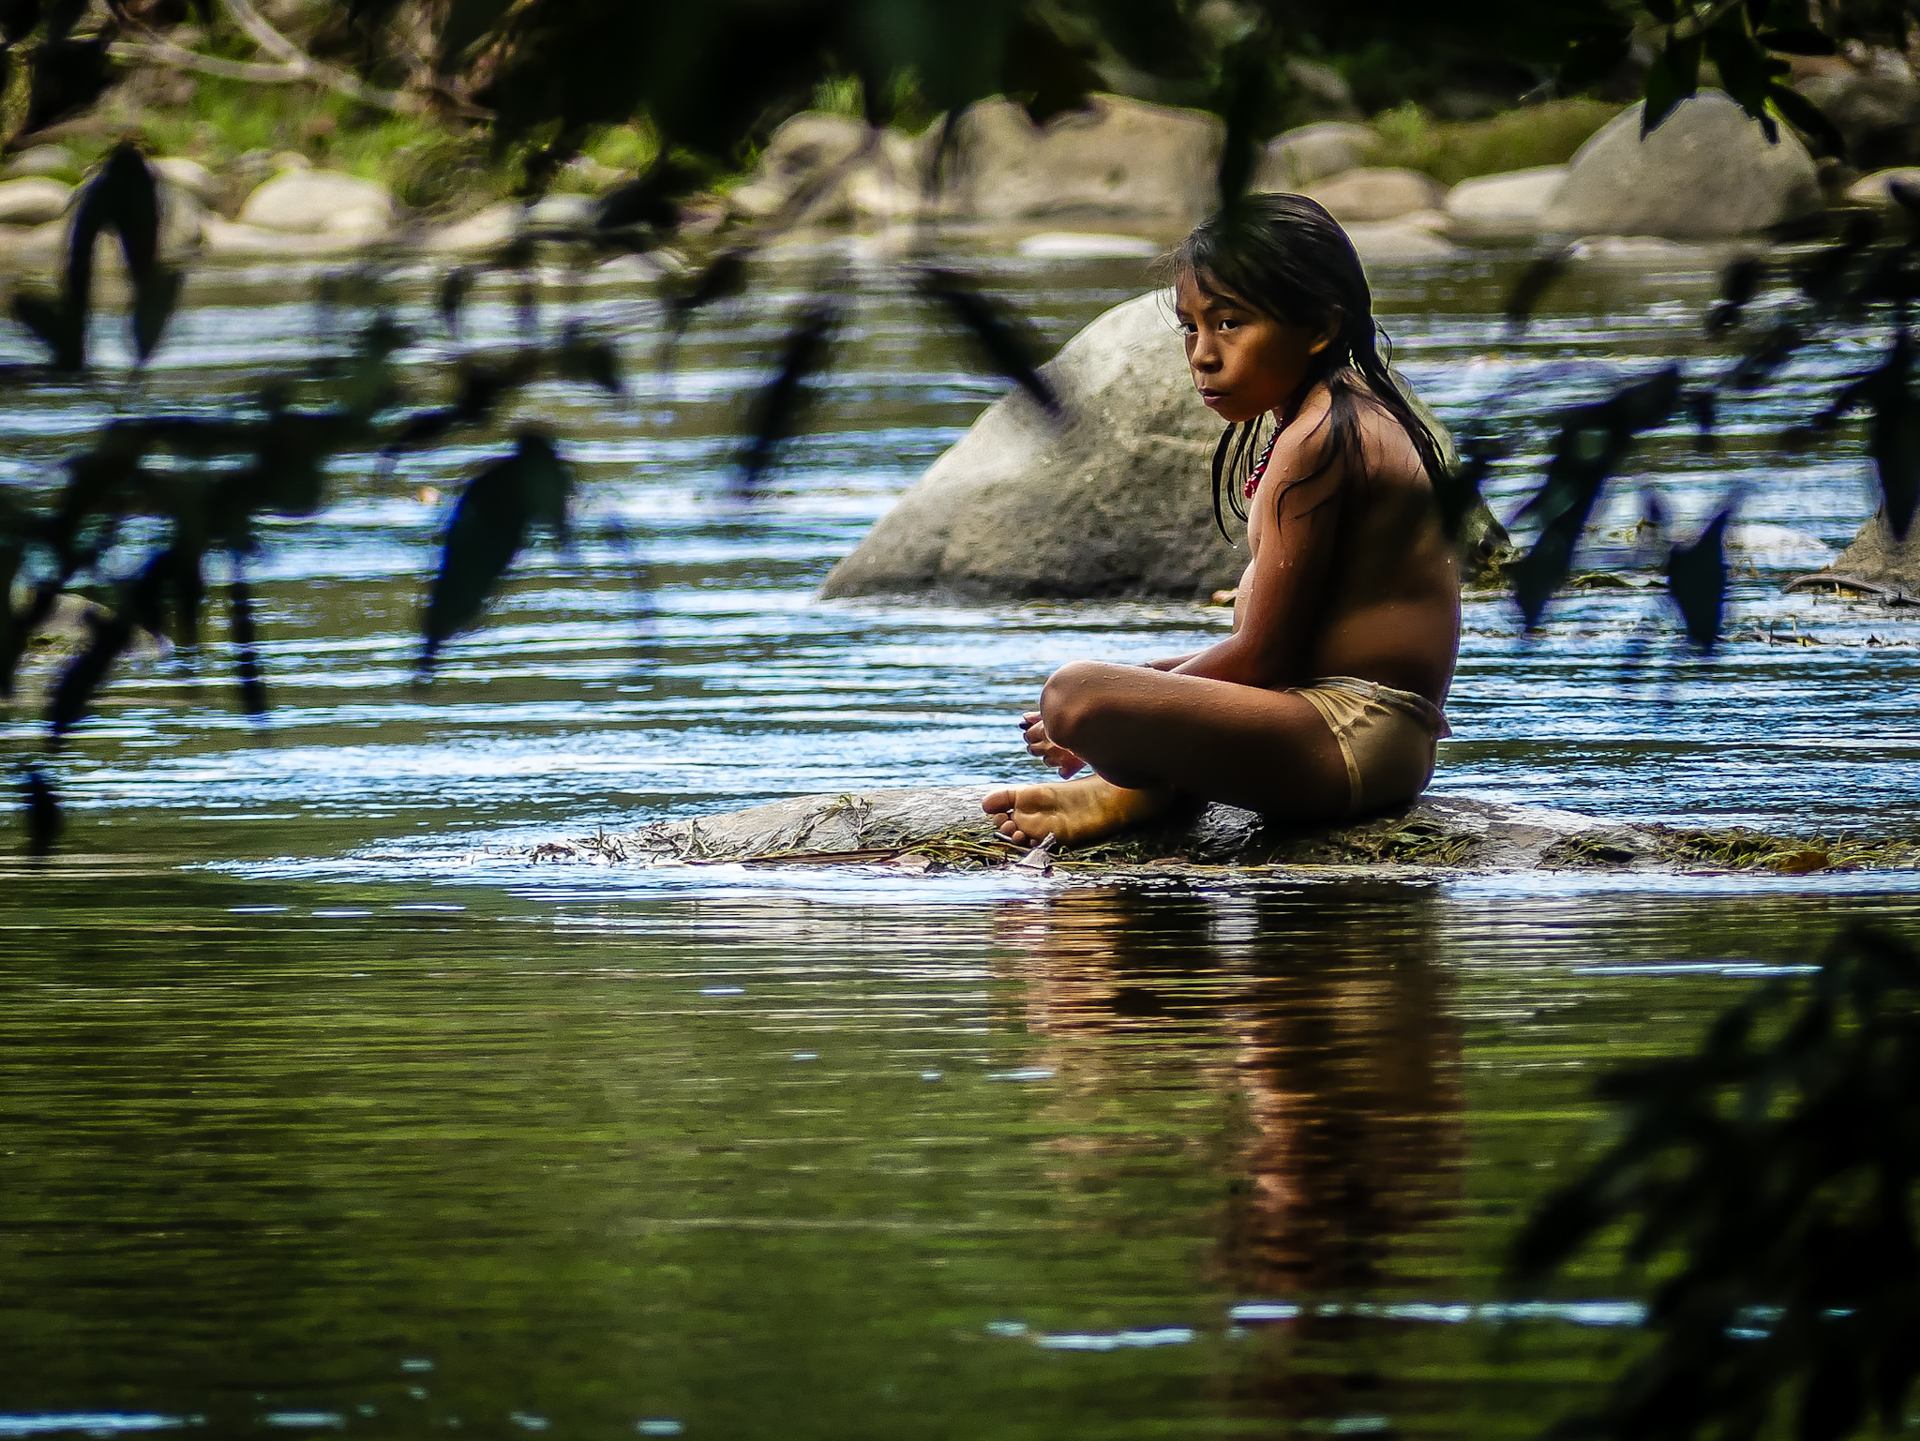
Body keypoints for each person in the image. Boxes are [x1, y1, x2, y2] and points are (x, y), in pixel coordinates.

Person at [982, 193, 1461, 849]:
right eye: (1191, 328)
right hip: (1354, 730)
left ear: (1319, 325)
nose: (1203, 354)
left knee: (1075, 694)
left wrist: (1115, 716)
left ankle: (1127, 791)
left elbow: (1266, 654)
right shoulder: (1324, 412)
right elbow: (1291, 647)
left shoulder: (1327, 435)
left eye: (1230, 324)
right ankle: (1131, 783)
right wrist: (1150, 689)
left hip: (1356, 735)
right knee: (1121, 686)